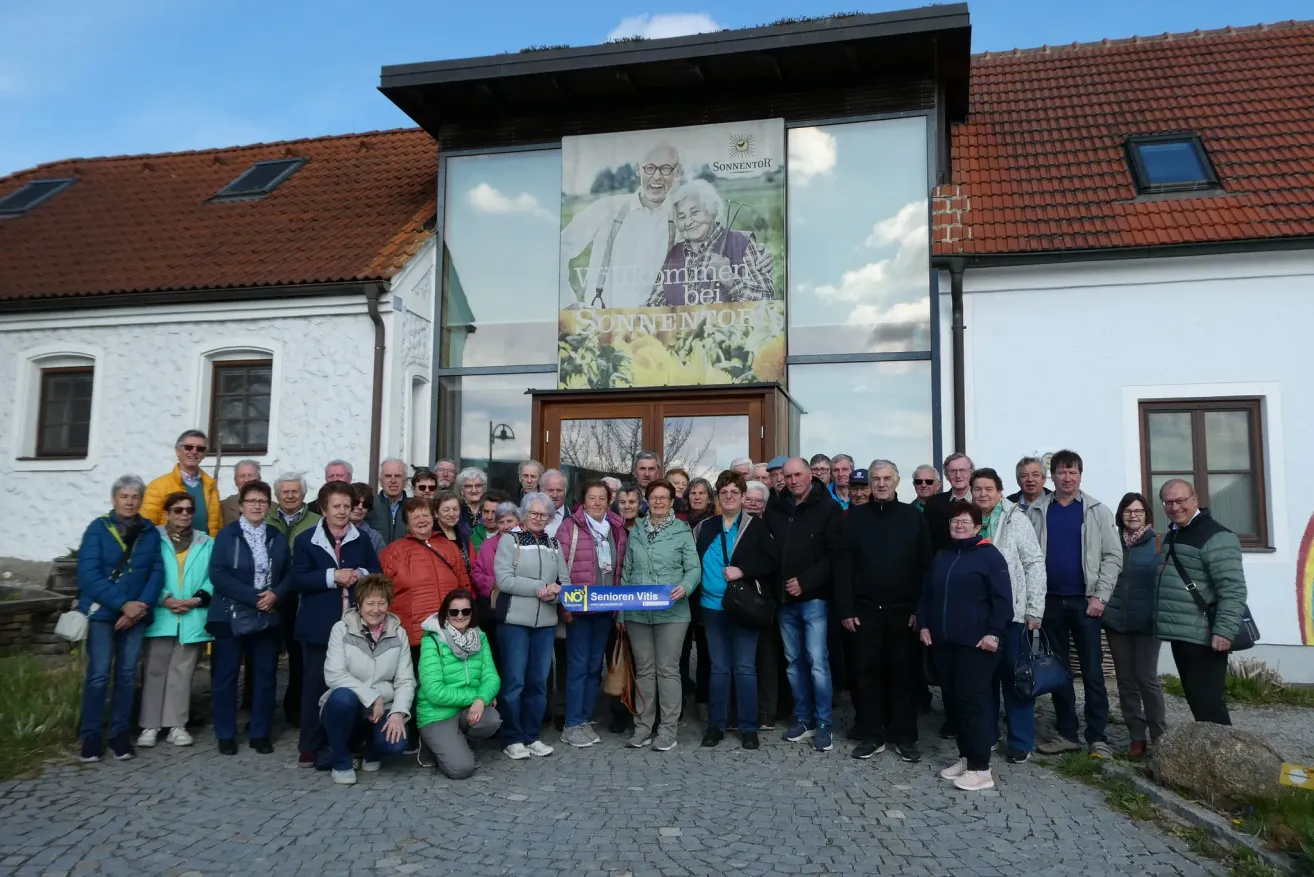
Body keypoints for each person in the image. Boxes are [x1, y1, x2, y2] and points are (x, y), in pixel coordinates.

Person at [835, 461, 933, 762]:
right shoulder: (853, 519)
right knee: (865, 677)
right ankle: (872, 734)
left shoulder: (912, 518)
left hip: (904, 611)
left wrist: (921, 609)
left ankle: (904, 737)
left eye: (886, 478)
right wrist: (846, 608)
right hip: (864, 611)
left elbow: (925, 567)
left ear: (897, 481)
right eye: (875, 479)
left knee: (903, 676)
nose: (880, 484)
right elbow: (842, 567)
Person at [1027, 449, 1122, 759]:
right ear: (1051, 476)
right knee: (1058, 672)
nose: (1067, 478)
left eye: (1073, 472)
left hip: (1086, 604)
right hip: (1050, 603)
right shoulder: (1037, 510)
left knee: (1093, 673)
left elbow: (1112, 556)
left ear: (1081, 475)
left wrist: (1100, 596)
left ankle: (1097, 737)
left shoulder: (1097, 511)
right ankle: (1067, 733)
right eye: (1061, 472)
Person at [918, 503, 1013, 791]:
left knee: (974, 703)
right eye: (954, 521)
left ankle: (981, 767)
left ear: (976, 526)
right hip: (945, 643)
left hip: (978, 644)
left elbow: (1003, 600)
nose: (959, 525)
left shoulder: (989, 557)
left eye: (964, 521)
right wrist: (924, 624)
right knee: (955, 703)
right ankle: (966, 756)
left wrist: (994, 634)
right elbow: (928, 594)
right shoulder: (944, 555)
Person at [292, 481, 382, 768]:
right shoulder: (306, 539)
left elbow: (375, 572)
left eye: (347, 506)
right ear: (323, 508)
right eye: (336, 506)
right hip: (320, 625)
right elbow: (299, 579)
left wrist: (359, 573)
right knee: (315, 686)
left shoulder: (362, 538)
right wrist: (333, 576)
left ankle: (346, 740)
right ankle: (309, 745)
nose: (343, 512)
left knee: (352, 685)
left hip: (354, 626)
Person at [76, 475, 165, 763]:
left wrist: (139, 607)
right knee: (99, 674)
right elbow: (88, 575)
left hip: (136, 615)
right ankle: (90, 736)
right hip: (103, 614)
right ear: (114, 499)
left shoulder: (149, 531)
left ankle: (119, 734)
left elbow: (156, 572)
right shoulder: (98, 529)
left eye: (135, 497)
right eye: (124, 496)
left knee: (127, 675)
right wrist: (122, 604)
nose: (129, 501)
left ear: (141, 500)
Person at [381, 495, 472, 756]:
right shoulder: (394, 551)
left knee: (446, 683)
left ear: (433, 517)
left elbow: (463, 584)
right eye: (414, 515)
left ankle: (442, 735)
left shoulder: (449, 548)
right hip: (415, 632)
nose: (421, 519)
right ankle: (410, 736)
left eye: (424, 513)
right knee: (415, 685)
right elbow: (386, 595)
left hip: (448, 631)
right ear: (407, 522)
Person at [208, 479, 291, 756]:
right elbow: (218, 574)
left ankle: (260, 732)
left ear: (269, 506)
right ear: (241, 506)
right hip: (231, 614)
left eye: (262, 501)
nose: (257, 506)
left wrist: (276, 594)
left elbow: (289, 573)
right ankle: (225, 733)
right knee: (227, 676)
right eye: (252, 501)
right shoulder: (227, 536)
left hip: (267, 614)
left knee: (265, 676)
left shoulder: (276, 537)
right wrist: (253, 597)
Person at [765, 458, 843, 752]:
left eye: (798, 474)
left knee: (817, 663)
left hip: (813, 599)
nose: (793, 480)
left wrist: (806, 582)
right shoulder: (777, 507)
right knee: (793, 664)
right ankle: (804, 718)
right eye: (788, 476)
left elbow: (834, 556)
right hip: (784, 601)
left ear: (810, 475)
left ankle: (824, 723)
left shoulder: (829, 508)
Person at [693, 471, 776, 750]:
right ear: (718, 497)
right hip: (711, 607)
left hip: (743, 608)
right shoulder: (704, 527)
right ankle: (715, 726)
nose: (729, 497)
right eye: (724, 492)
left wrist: (743, 570)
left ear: (743, 497)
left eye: (734, 492)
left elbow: (771, 562)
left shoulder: (756, 527)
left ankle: (748, 728)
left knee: (744, 668)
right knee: (718, 668)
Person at [1155, 479, 1247, 727]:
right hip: (1184, 633)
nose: (1175, 507)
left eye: (1181, 500)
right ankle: (1209, 760)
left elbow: (1233, 589)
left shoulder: (1216, 536)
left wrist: (1224, 631)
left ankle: (1225, 760)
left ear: (1195, 500)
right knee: (1197, 700)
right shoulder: (1176, 532)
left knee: (1208, 703)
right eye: (1168, 502)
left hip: (1206, 636)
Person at [971, 468, 1046, 763]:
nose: (983, 494)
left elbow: (1033, 563)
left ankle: (1020, 741)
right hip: (977, 617)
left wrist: (1034, 608)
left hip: (1011, 615)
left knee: (1015, 680)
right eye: (978, 489)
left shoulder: (1017, 519)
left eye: (989, 489)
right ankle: (987, 735)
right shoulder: (968, 520)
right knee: (982, 681)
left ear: (1000, 491)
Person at [623, 478, 701, 751]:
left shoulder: (682, 530)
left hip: (673, 612)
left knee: (667, 670)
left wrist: (686, 586)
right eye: (653, 497)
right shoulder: (637, 531)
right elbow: (627, 571)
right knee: (644, 671)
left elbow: (693, 568)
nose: (658, 502)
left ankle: (667, 730)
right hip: (637, 612)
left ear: (671, 502)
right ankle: (643, 728)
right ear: (647, 501)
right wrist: (622, 613)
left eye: (663, 498)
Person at [494, 492, 571, 760]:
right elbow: (504, 580)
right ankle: (512, 738)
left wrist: (560, 590)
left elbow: (565, 579)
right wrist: (540, 588)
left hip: (546, 622)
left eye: (544, 515)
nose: (538, 519)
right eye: (533, 514)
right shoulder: (509, 540)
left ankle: (531, 735)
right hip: (515, 621)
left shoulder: (553, 543)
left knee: (538, 682)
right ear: (524, 516)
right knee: (514, 681)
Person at [561, 142, 682, 310]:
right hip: (603, 324)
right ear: (638, 169)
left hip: (658, 326)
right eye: (649, 168)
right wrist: (567, 303)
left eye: (666, 168)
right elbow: (559, 249)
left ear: (677, 172)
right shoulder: (606, 208)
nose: (657, 176)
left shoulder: (683, 218)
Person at [319, 574, 414, 785]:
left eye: (382, 603)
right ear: (359, 604)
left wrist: (398, 713)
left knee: (397, 743)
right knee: (342, 698)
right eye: (370, 603)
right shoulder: (341, 629)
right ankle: (341, 760)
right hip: (348, 702)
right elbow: (333, 673)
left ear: (389, 604)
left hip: (385, 705)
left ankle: (372, 751)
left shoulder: (399, 634)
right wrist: (371, 697)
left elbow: (405, 680)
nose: (376, 609)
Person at [137, 491, 213, 749]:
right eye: (177, 509)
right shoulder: (152, 539)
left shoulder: (205, 541)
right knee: (154, 670)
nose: (183, 514)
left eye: (188, 510)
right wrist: (164, 599)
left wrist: (198, 599)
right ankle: (150, 725)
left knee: (183, 672)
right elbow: (143, 572)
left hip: (191, 615)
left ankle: (176, 725)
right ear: (166, 512)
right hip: (161, 613)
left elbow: (213, 576)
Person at [557, 481, 629, 748]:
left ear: (609, 501)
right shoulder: (569, 528)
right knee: (577, 666)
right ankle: (572, 723)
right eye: (592, 498)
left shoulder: (617, 528)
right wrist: (564, 607)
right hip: (578, 610)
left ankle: (584, 719)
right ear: (583, 501)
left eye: (602, 498)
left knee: (593, 668)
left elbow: (620, 568)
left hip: (605, 610)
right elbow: (560, 569)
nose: (597, 503)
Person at [417, 589, 502, 779]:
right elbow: (434, 692)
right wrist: (479, 698)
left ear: (472, 613)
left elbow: (492, 677)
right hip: (437, 714)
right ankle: (431, 744)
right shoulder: (432, 641)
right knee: (461, 769)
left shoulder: (479, 637)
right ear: (445, 613)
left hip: (466, 711)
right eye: (454, 612)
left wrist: (481, 700)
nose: (460, 616)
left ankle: (460, 741)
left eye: (466, 611)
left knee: (492, 720)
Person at [649, 179, 775, 306]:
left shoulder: (742, 243)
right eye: (682, 217)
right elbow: (654, 307)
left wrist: (729, 279)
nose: (688, 222)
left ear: (713, 211)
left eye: (695, 212)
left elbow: (768, 300)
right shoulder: (673, 254)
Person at [1106, 492, 1167, 755]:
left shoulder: (1158, 544)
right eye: (1128, 511)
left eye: (1138, 511)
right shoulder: (1112, 543)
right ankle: (1136, 736)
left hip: (1147, 623)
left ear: (1147, 515)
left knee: (1146, 678)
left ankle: (1160, 735)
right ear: (1121, 515)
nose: (1133, 515)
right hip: (1117, 621)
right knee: (1126, 681)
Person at [266, 472, 321, 727]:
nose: (289, 495)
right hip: (269, 597)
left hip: (303, 597)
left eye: (294, 491)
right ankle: (261, 711)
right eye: (285, 492)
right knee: (265, 656)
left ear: (304, 494)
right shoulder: (265, 519)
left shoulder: (317, 522)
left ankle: (295, 707)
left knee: (300, 656)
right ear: (277, 495)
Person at [142, 430, 222, 536]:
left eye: (200, 449)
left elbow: (218, 526)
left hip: (206, 551)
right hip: (171, 551)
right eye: (188, 447)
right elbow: (146, 527)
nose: (194, 452)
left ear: (204, 454)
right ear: (177, 451)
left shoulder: (211, 487)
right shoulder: (157, 487)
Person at [925, 453, 974, 551]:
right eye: (953, 471)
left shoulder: (981, 502)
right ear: (946, 476)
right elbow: (927, 540)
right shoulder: (933, 503)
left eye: (962, 470)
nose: (958, 475)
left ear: (971, 473)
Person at [366, 458, 409, 544]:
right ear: (380, 481)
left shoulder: (414, 508)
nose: (393, 481)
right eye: (388, 476)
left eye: (398, 476)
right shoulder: (367, 506)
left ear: (405, 482)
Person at [433, 490, 474, 574]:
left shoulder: (464, 535)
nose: (452, 514)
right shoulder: (431, 537)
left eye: (455, 509)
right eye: (446, 510)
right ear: (436, 513)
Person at [349, 482, 387, 555]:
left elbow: (381, 565)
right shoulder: (332, 531)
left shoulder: (376, 538)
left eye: (365, 504)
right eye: (355, 502)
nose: (360, 507)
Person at [220, 460, 261, 526]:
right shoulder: (223, 507)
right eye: (242, 476)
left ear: (259, 479)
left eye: (250, 475)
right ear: (235, 480)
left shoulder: (274, 508)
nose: (246, 480)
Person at [471, 489, 508, 555]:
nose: (489, 517)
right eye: (486, 511)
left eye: (494, 512)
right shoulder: (471, 535)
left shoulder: (509, 536)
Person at [457, 467, 488, 532]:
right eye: (468, 486)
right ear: (462, 490)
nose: (474, 490)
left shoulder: (489, 508)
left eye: (478, 485)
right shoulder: (456, 509)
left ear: (484, 488)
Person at [540, 469, 569, 537]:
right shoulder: (530, 516)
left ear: (565, 491)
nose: (555, 495)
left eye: (559, 490)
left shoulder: (574, 518)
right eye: (550, 490)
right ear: (542, 491)